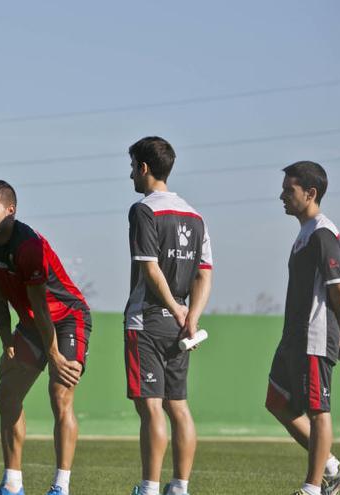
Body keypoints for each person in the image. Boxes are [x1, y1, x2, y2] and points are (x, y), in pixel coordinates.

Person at [0, 180, 92, 495]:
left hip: (66, 318)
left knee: (60, 395)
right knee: (6, 395)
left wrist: (53, 356)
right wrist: (6, 342)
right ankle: (12, 485)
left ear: (10, 210)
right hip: (30, 324)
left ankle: (60, 488)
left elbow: (40, 305)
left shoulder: (28, 247)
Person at [123, 137, 213, 495]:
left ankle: (148, 488)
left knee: (151, 410)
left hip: (147, 319)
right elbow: (205, 272)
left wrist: (176, 309)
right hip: (180, 326)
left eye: (132, 166)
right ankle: (180, 488)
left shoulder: (143, 210)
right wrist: (192, 315)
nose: (131, 174)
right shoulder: (196, 215)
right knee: (179, 406)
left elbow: (150, 268)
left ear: (144, 168)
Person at [266, 161, 340, 495]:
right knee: (276, 402)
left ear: (310, 193)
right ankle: (333, 469)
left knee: (319, 411)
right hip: (292, 338)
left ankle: (312, 488)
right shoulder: (304, 234)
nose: (282, 195)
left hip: (315, 336)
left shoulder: (322, 232)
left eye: (288, 190)